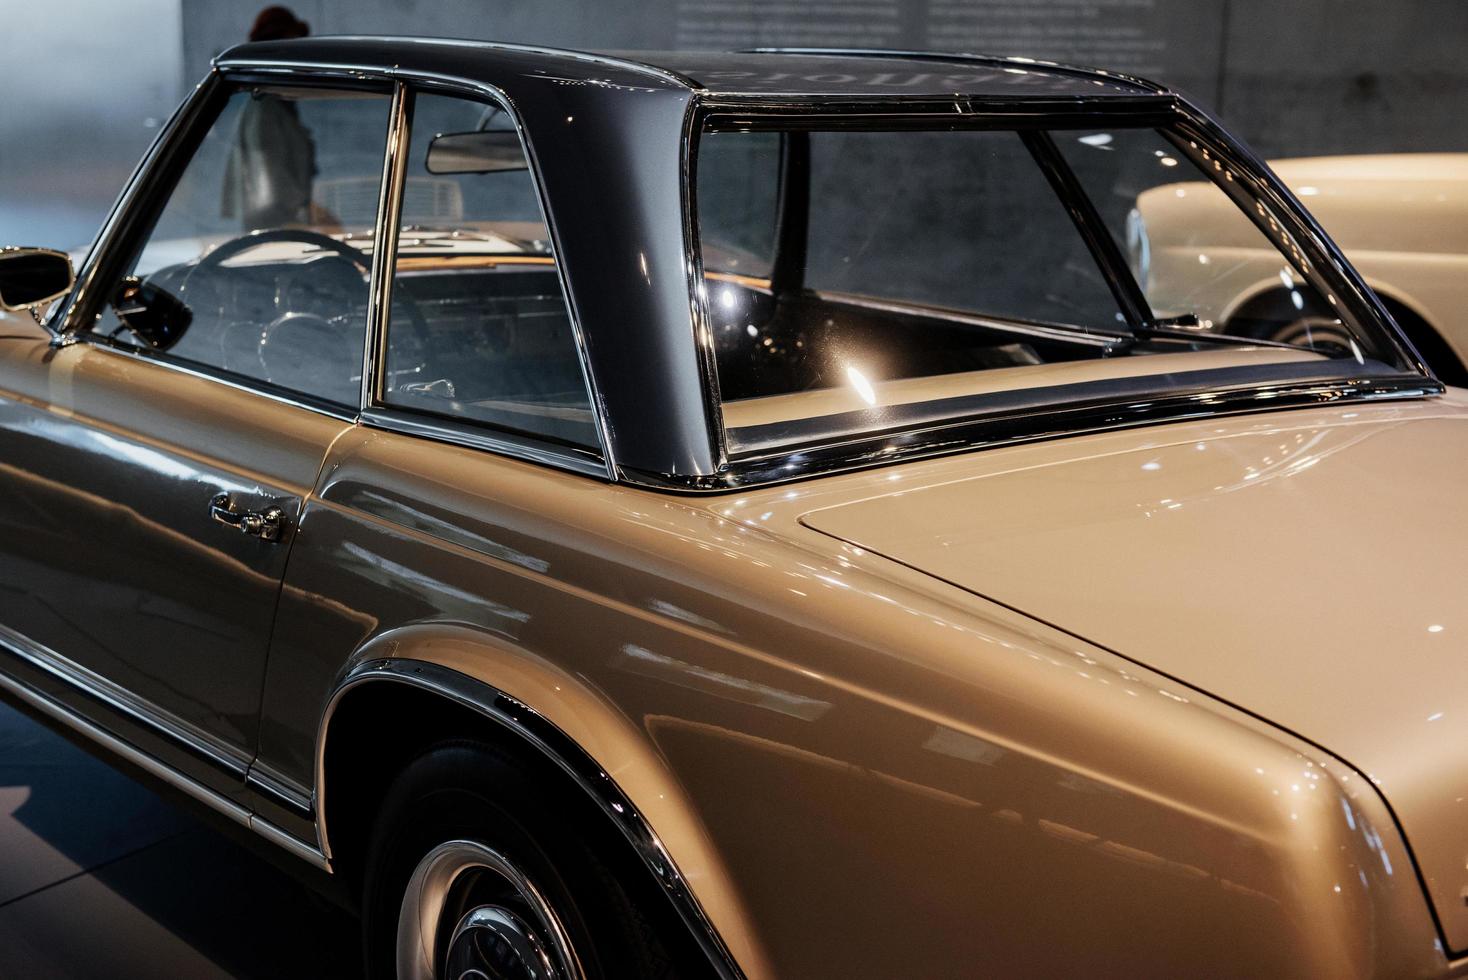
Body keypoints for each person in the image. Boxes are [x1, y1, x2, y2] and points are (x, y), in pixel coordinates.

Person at [221, 7, 316, 230]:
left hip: (280, 221)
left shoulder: (275, 103)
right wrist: (306, 213)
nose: (300, 59)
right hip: (274, 225)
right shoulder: (265, 107)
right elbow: (271, 179)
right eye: (293, 47)